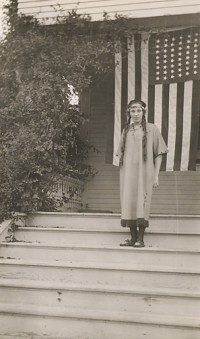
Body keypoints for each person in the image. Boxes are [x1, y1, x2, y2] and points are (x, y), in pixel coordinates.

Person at [117, 99, 168, 248]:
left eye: (139, 110)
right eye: (133, 110)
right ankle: (132, 238)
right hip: (127, 173)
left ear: (143, 112)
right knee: (129, 201)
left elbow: (159, 153)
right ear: (129, 113)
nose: (136, 113)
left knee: (142, 201)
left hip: (145, 172)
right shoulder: (126, 131)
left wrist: (156, 175)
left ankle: (141, 238)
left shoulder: (152, 129)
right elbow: (120, 153)